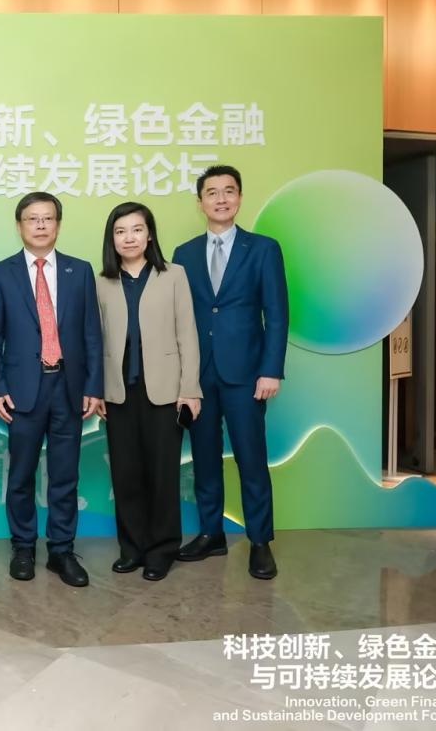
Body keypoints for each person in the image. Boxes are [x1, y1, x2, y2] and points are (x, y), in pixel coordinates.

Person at [172, 164, 288, 580]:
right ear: (199, 201)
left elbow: (277, 313)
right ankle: (211, 534)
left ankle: (259, 542)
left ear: (239, 197)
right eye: (212, 192)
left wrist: (270, 370)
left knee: (250, 459)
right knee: (204, 459)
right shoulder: (184, 254)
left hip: (247, 375)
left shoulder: (263, 249)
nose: (221, 199)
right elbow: (179, 318)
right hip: (199, 376)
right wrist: (183, 378)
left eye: (228, 191)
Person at [0, 191, 103, 587]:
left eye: (47, 218)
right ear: (19, 225)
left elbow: (91, 333)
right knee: (21, 474)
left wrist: (93, 385)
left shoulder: (79, 271)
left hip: (68, 387)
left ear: (58, 224)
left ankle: (61, 551)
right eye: (32, 219)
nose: (40, 225)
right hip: (22, 390)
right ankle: (23, 547)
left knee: (65, 476)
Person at [95, 201, 201, 582]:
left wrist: (190, 389)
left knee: (161, 474)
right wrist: (96, 390)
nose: (129, 238)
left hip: (166, 391)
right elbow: (95, 340)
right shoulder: (101, 281)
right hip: (118, 391)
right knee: (126, 474)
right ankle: (132, 548)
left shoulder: (174, 275)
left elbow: (187, 334)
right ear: (112, 239)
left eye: (137, 229)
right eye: (121, 231)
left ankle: (162, 550)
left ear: (149, 235)